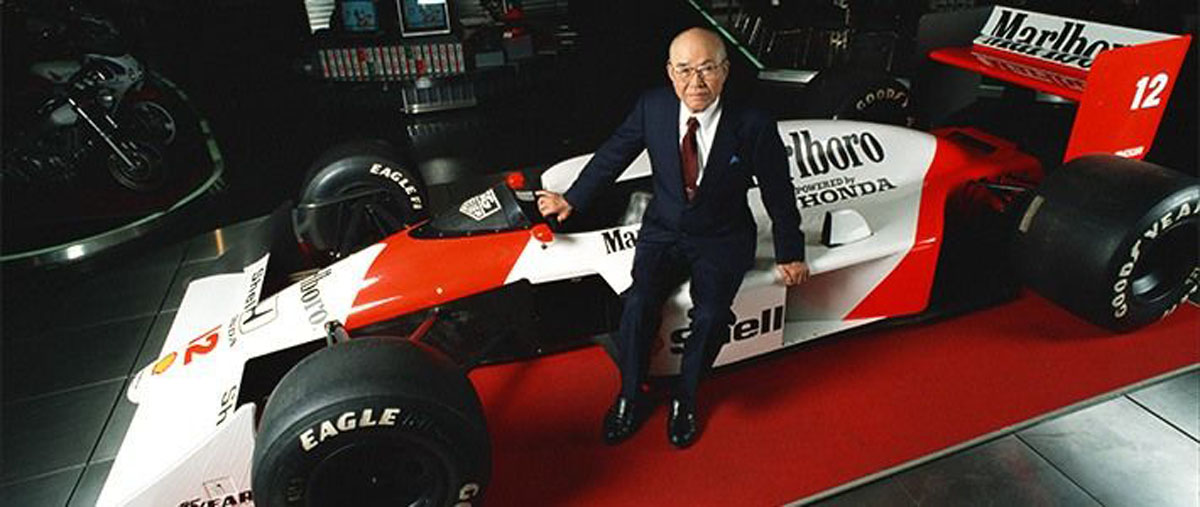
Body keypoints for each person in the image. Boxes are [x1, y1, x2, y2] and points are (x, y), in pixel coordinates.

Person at [536, 27, 809, 449]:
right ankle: (629, 395)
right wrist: (572, 199)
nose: (695, 82)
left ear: (725, 70)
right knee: (638, 302)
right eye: (684, 70)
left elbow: (778, 188)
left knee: (711, 314)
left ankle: (686, 397)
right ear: (670, 71)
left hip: (723, 236)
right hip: (663, 230)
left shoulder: (752, 122)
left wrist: (790, 252)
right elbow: (613, 155)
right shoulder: (653, 107)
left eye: (707, 69)